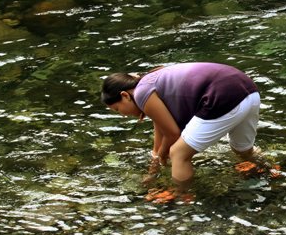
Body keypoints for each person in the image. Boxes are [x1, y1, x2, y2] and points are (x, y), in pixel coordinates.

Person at [101, 62, 267, 197]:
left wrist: (164, 155)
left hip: (223, 96)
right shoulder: (150, 81)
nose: (122, 115)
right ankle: (270, 170)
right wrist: (156, 161)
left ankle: (181, 197)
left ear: (125, 95)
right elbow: (161, 127)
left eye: (117, 109)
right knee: (242, 149)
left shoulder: (141, 93)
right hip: (249, 91)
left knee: (178, 153)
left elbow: (173, 133)